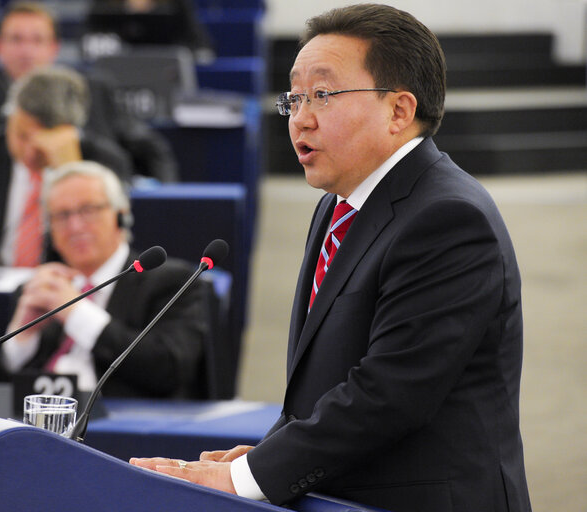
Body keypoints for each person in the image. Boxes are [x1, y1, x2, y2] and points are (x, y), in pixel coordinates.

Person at [130, 4, 532, 512]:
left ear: (399, 111)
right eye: (294, 97)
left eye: (322, 94)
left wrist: (248, 478)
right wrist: (272, 456)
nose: (301, 117)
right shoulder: (338, 205)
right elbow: (326, 382)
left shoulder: (448, 218)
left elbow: (387, 395)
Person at [1, 161, 207, 397]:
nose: (75, 226)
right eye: (62, 215)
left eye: (88, 210)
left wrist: (76, 312)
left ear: (121, 216)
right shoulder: (40, 288)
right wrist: (23, 336)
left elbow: (169, 368)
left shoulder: (172, 282)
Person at [0, 66, 132, 271]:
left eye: (42, 142)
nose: (29, 152)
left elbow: (111, 254)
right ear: (9, 119)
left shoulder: (104, 164)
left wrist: (69, 170)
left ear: (70, 132)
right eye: (22, 136)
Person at [0, 1, 179, 182]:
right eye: (16, 39)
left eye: (37, 40)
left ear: (55, 47)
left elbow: (152, 151)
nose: (26, 51)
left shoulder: (94, 90)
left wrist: (160, 202)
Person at [84, 0, 215, 63]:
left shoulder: (177, 4)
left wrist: (180, 54)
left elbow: (201, 45)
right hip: (115, 79)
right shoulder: (103, 5)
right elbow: (86, 41)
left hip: (166, 77)